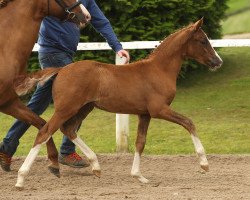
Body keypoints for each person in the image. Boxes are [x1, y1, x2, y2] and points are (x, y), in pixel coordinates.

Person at [0, 0, 130, 171]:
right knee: (80, 99)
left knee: (37, 105)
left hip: (66, 52)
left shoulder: (85, 1)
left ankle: (7, 147)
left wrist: (117, 47)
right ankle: (66, 151)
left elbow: (101, 21)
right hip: (52, 52)